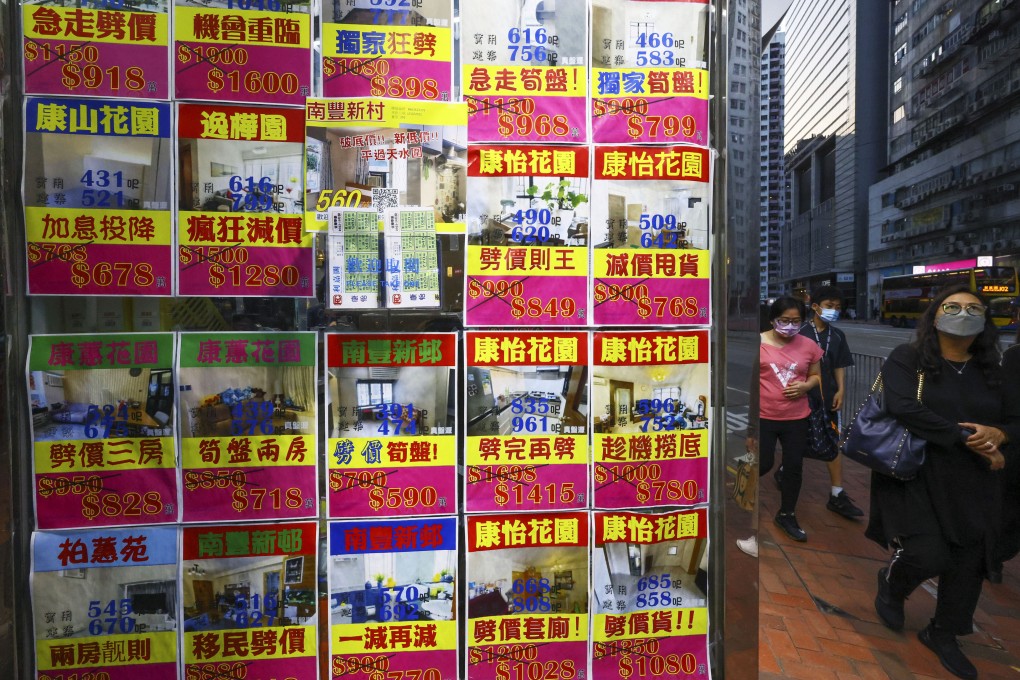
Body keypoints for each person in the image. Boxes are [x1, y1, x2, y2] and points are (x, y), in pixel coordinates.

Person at [866, 284, 1016, 680]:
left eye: (973, 308)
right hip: (914, 472)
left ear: (985, 320)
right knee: (928, 553)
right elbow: (902, 407)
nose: (963, 313)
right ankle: (893, 584)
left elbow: (1013, 421)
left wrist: (999, 435)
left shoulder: (993, 371)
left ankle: (944, 632)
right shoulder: (908, 358)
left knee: (969, 562)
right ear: (935, 315)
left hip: (975, 481)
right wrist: (969, 438)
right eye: (952, 306)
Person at [775, 286, 865, 519]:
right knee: (796, 443)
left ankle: (837, 494)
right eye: (829, 306)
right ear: (815, 307)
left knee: (832, 442)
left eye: (837, 307)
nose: (833, 311)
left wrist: (841, 390)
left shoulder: (837, 336)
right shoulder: (799, 331)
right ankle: (785, 472)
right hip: (800, 398)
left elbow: (839, 365)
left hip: (827, 399)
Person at [758, 296, 822, 542]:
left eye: (796, 321)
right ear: (773, 319)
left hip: (796, 417)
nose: (790, 326)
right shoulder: (759, 343)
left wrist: (805, 386)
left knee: (794, 467)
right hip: (764, 416)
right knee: (761, 464)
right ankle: (742, 499)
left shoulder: (808, 345)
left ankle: (787, 513)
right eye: (784, 320)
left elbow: (816, 376)